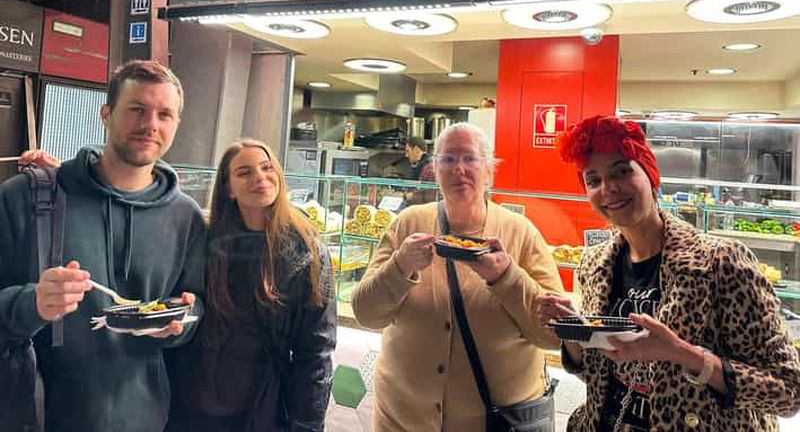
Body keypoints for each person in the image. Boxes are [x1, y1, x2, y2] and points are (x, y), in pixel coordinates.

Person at [537, 115, 800, 431]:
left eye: (622, 171)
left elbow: (789, 391)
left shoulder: (721, 262)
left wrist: (683, 354)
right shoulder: (595, 265)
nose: (608, 188)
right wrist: (575, 334)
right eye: (593, 180)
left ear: (649, 174)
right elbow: (603, 377)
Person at [0, 60, 207, 432]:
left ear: (177, 123)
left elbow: (196, 305)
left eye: (164, 114)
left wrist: (180, 321)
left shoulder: (185, 216)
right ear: (106, 115)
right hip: (36, 416)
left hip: (144, 419)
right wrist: (32, 304)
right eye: (137, 109)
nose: (151, 124)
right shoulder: (23, 198)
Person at [352, 122, 564, 431]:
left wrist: (506, 277)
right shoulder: (408, 224)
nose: (458, 169)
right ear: (435, 169)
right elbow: (366, 314)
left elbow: (554, 334)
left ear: (489, 169)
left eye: (470, 158)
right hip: (402, 421)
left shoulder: (520, 232)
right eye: (448, 159)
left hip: (497, 423)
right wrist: (400, 266)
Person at [166, 138, 336, 432]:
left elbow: (316, 351)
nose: (260, 177)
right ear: (229, 189)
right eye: (244, 172)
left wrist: (308, 424)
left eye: (267, 168)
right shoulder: (205, 241)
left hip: (263, 406)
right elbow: (183, 312)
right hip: (195, 402)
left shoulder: (307, 250)